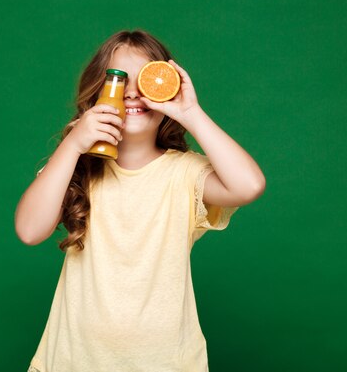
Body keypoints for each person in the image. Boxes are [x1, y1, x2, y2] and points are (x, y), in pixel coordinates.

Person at [14, 29, 266, 372]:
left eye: (146, 82)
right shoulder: (75, 167)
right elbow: (29, 230)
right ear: (96, 95)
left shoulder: (184, 174)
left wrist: (191, 113)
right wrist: (73, 144)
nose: (132, 93)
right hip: (73, 361)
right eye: (119, 81)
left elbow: (249, 185)